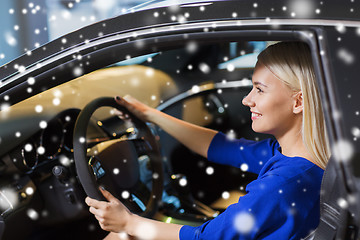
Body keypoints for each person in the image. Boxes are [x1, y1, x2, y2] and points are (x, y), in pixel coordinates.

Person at [85, 41, 330, 240]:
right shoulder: (297, 155)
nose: (247, 100)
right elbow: (221, 147)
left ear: (298, 102)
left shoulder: (283, 184)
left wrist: (129, 222)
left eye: (260, 89)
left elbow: (204, 238)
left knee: (123, 237)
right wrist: (150, 114)